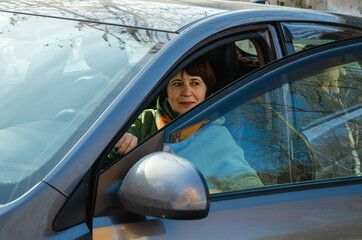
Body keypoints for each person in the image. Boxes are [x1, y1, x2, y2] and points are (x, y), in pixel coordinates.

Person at [109, 57, 263, 191]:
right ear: (166, 92)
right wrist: (122, 142)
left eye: (195, 83)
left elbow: (244, 179)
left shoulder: (216, 135)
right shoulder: (146, 119)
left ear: (206, 91)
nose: (187, 92)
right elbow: (104, 153)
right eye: (177, 84)